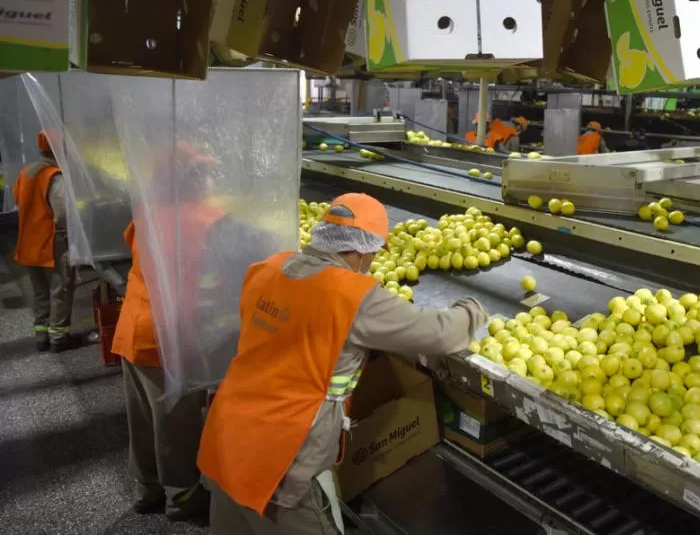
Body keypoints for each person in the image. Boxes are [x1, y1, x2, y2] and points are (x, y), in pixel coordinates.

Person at [198, 193, 488, 535]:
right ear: (363, 251)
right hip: (280, 461)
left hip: (225, 434)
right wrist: (472, 310)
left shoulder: (267, 268)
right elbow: (438, 334)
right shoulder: (352, 295)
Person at [112, 143, 223, 520]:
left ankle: (147, 489)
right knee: (177, 422)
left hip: (134, 328)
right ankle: (183, 496)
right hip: (168, 338)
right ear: (186, 180)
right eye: (202, 172)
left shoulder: (148, 212)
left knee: (142, 417)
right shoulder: (205, 218)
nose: (211, 178)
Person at [12, 130, 74, 352]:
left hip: (28, 240)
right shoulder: (53, 175)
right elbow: (63, 214)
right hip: (51, 241)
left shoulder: (27, 171)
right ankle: (58, 338)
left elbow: (19, 200)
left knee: (39, 291)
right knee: (61, 289)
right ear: (57, 150)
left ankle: (41, 335)